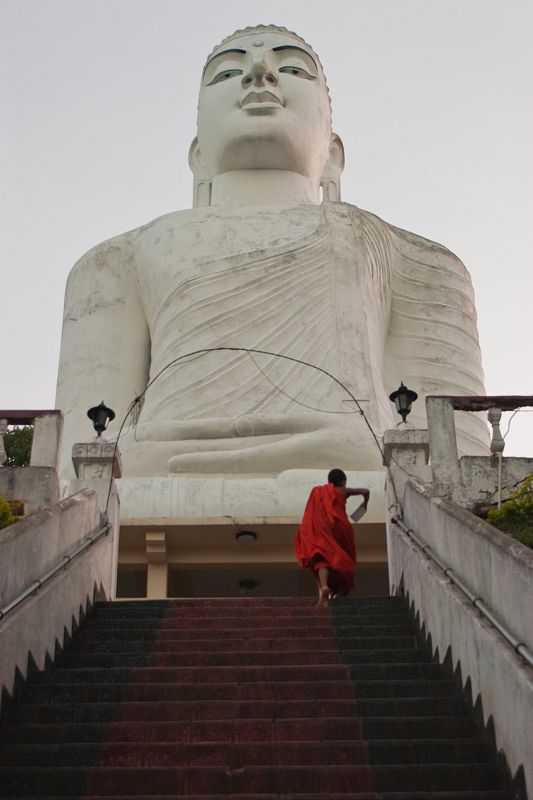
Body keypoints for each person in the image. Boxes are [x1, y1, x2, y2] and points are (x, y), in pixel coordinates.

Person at [56, 25, 488, 480]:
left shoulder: (413, 256)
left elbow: (458, 461)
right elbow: (84, 456)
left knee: (367, 448)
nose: (259, 74)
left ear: (333, 155)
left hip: (357, 465)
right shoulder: (113, 261)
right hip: (172, 470)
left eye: (292, 68)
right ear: (198, 155)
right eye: (226, 73)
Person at [295, 469, 369, 606]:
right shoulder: (343, 490)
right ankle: (339, 596)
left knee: (322, 557)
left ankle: (324, 587)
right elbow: (365, 491)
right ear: (342, 481)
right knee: (345, 560)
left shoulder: (318, 491)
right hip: (341, 528)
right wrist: (365, 504)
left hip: (324, 528)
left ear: (330, 481)